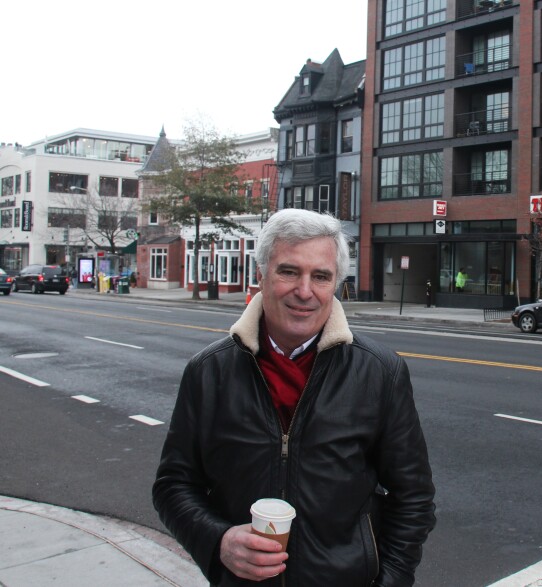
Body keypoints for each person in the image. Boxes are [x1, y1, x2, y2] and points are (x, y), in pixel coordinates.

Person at [153, 209, 436, 586]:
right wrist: (217, 540)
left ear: (335, 285)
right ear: (261, 274)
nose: (305, 291)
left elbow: (413, 498)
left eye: (321, 277)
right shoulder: (209, 372)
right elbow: (174, 485)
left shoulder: (380, 372)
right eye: (289, 271)